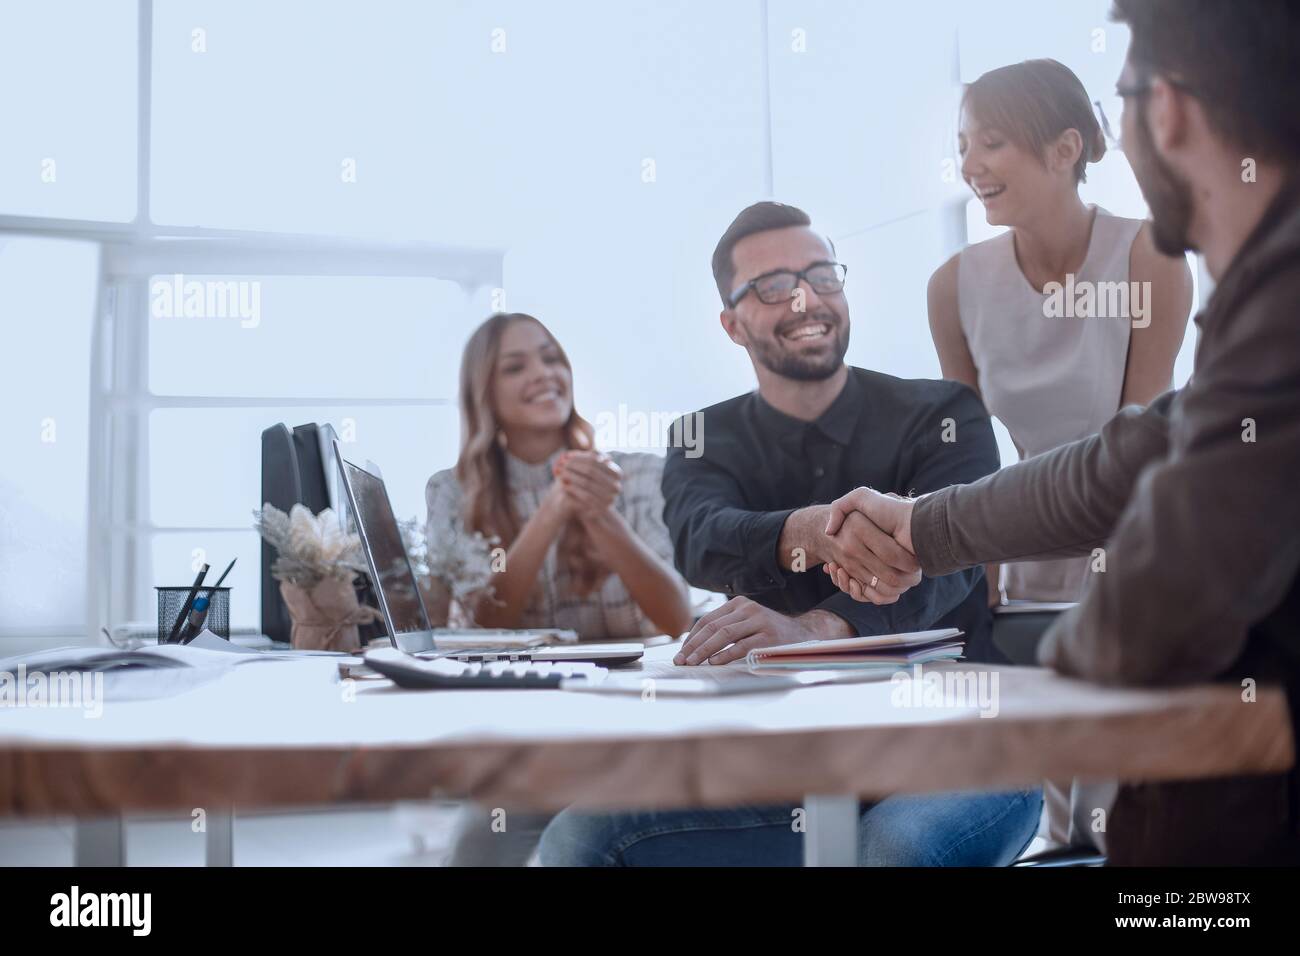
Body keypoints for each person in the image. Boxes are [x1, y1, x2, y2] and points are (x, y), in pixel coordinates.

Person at [823, 0, 1300, 865]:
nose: (970, 163)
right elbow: (1141, 452)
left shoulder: (1273, 288)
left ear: (1171, 110)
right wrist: (926, 527)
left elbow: (1176, 551)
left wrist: (1055, 680)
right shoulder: (1264, 282)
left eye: (1122, 96)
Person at [538, 202, 1041, 866]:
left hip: (960, 747)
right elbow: (700, 538)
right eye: (773, 286)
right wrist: (805, 532)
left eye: (822, 275)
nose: (806, 298)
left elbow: (954, 559)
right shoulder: (700, 437)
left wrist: (815, 630)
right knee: (580, 837)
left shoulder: (943, 412)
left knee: (885, 852)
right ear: (732, 324)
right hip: (791, 764)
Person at [928, 57, 1192, 853]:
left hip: (1134, 557)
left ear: (1066, 147)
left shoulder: (1150, 258)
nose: (971, 166)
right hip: (1016, 562)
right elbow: (969, 456)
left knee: (1115, 821)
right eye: (964, 146)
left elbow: (1138, 451)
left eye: (993, 143)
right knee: (1033, 817)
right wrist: (979, 581)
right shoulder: (953, 287)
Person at [426, 311, 691, 865]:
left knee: (583, 842)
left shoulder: (640, 474)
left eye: (551, 357)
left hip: (641, 728)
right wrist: (551, 513)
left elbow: (675, 617)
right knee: (476, 847)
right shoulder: (452, 493)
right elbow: (481, 625)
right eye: (515, 366)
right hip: (533, 739)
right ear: (484, 394)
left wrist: (600, 516)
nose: (543, 373)